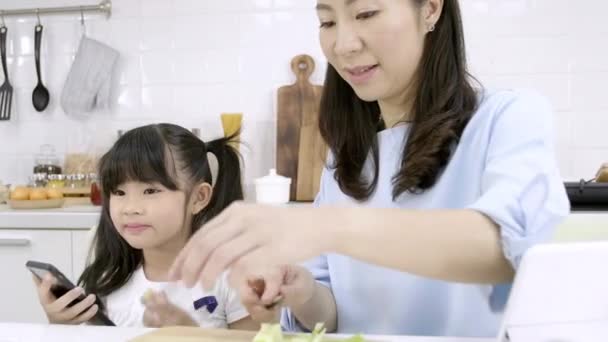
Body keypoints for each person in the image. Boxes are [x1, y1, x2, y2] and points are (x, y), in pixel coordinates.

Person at [168, 0, 570, 337]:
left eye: (366, 13)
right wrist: (300, 289)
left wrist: (325, 228)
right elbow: (335, 316)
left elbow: (508, 248)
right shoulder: (346, 159)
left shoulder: (505, 117)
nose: (342, 44)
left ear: (430, 8)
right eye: (327, 21)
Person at [33, 123, 258, 330]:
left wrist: (189, 334)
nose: (130, 208)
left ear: (199, 197)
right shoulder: (108, 279)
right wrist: (61, 325)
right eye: (119, 193)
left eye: (150, 191)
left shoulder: (233, 278)